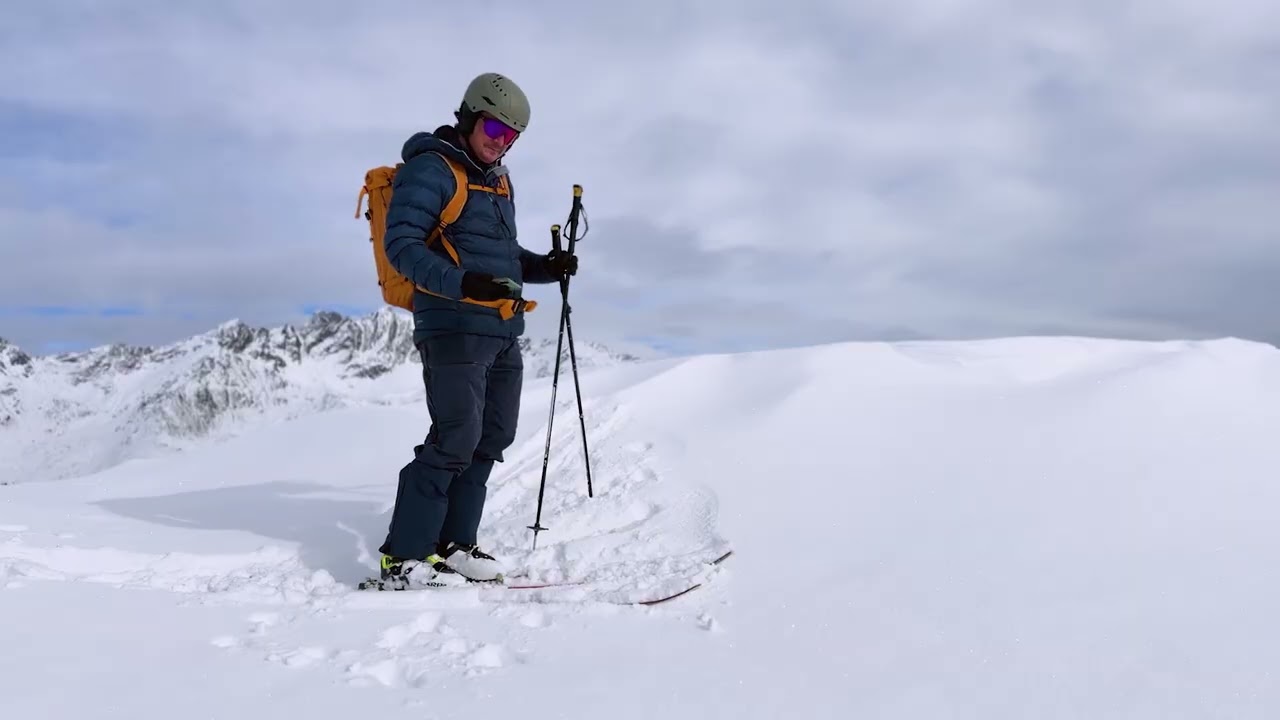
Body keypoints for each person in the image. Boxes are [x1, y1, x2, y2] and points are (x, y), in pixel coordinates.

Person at [373, 72, 577, 589]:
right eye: (493, 126)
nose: (500, 140)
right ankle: (405, 558)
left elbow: (502, 260)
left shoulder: (499, 180)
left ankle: (454, 545)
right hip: (452, 326)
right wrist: (465, 285)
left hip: (501, 328)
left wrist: (545, 268)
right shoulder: (431, 170)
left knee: (492, 436)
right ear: (468, 116)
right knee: (454, 439)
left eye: (512, 135)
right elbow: (404, 247)